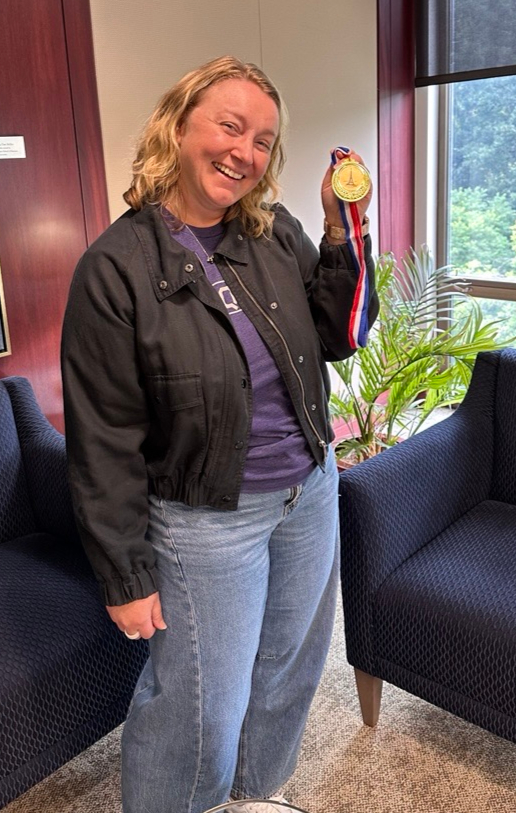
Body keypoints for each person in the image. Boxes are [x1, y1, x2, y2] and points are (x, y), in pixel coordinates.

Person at [61, 55, 378, 813]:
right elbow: (102, 436)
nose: (245, 152)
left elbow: (338, 336)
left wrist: (341, 235)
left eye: (263, 140)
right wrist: (126, 574)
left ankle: (254, 797)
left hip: (309, 489)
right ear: (177, 126)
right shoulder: (115, 267)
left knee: (289, 670)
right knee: (200, 704)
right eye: (230, 127)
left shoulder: (274, 232)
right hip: (207, 519)